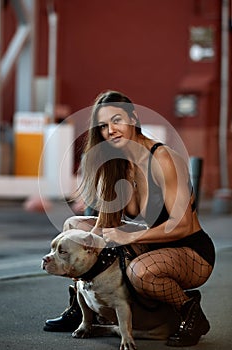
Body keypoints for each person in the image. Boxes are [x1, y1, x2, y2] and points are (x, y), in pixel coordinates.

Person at [44, 90, 215, 347]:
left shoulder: (163, 159)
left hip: (188, 251)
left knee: (140, 272)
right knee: (73, 227)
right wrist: (85, 241)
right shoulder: (117, 162)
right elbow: (105, 220)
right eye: (103, 126)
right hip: (150, 243)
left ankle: (190, 310)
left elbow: (183, 226)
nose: (110, 130)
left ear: (133, 118)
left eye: (117, 120)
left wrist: (129, 236)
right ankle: (82, 308)